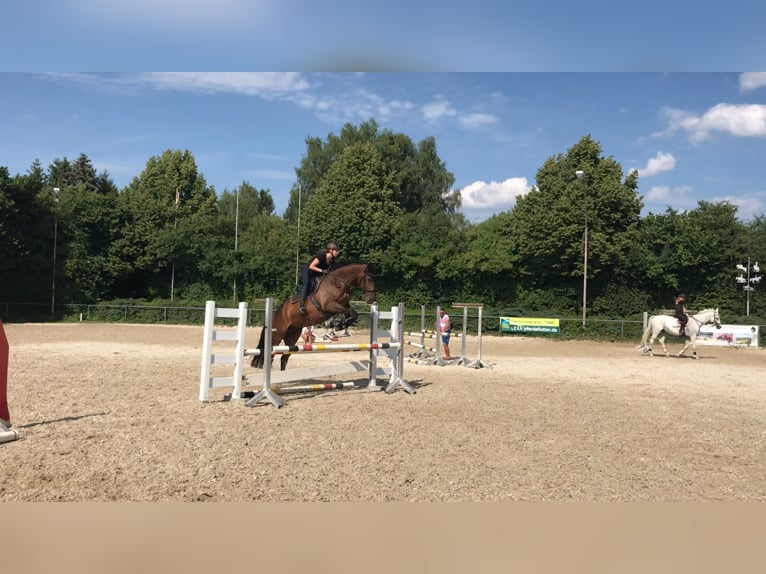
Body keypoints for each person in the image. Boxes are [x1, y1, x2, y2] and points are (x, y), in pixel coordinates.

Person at [299, 241, 339, 314]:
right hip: (308, 270)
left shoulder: (332, 260)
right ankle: (302, 304)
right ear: (330, 250)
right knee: (307, 284)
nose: (337, 252)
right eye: (336, 250)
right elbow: (311, 266)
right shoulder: (321, 256)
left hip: (316, 272)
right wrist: (322, 270)